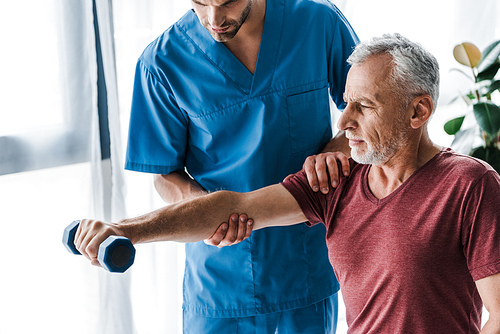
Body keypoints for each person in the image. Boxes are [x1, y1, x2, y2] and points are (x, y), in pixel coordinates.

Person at [77, 33, 500, 333]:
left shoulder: (470, 186)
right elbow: (234, 206)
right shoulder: (338, 179)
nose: (344, 121)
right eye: (346, 101)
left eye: (364, 107)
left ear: (418, 112)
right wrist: (125, 230)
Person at [124, 0, 358, 332]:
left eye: (226, 2)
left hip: (305, 267)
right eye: (200, 3)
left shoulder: (318, 22)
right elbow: (164, 173)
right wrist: (202, 209)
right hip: (220, 280)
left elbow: (370, 111)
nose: (214, 18)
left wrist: (336, 150)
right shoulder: (161, 63)